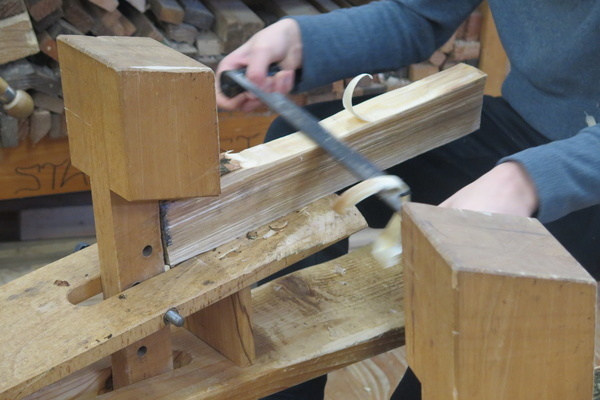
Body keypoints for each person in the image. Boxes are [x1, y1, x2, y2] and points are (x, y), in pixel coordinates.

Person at [215, 1, 600, 399]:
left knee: (450, 353)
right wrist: (301, 42)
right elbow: (419, 15)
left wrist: (527, 182)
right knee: (301, 158)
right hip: (530, 124)